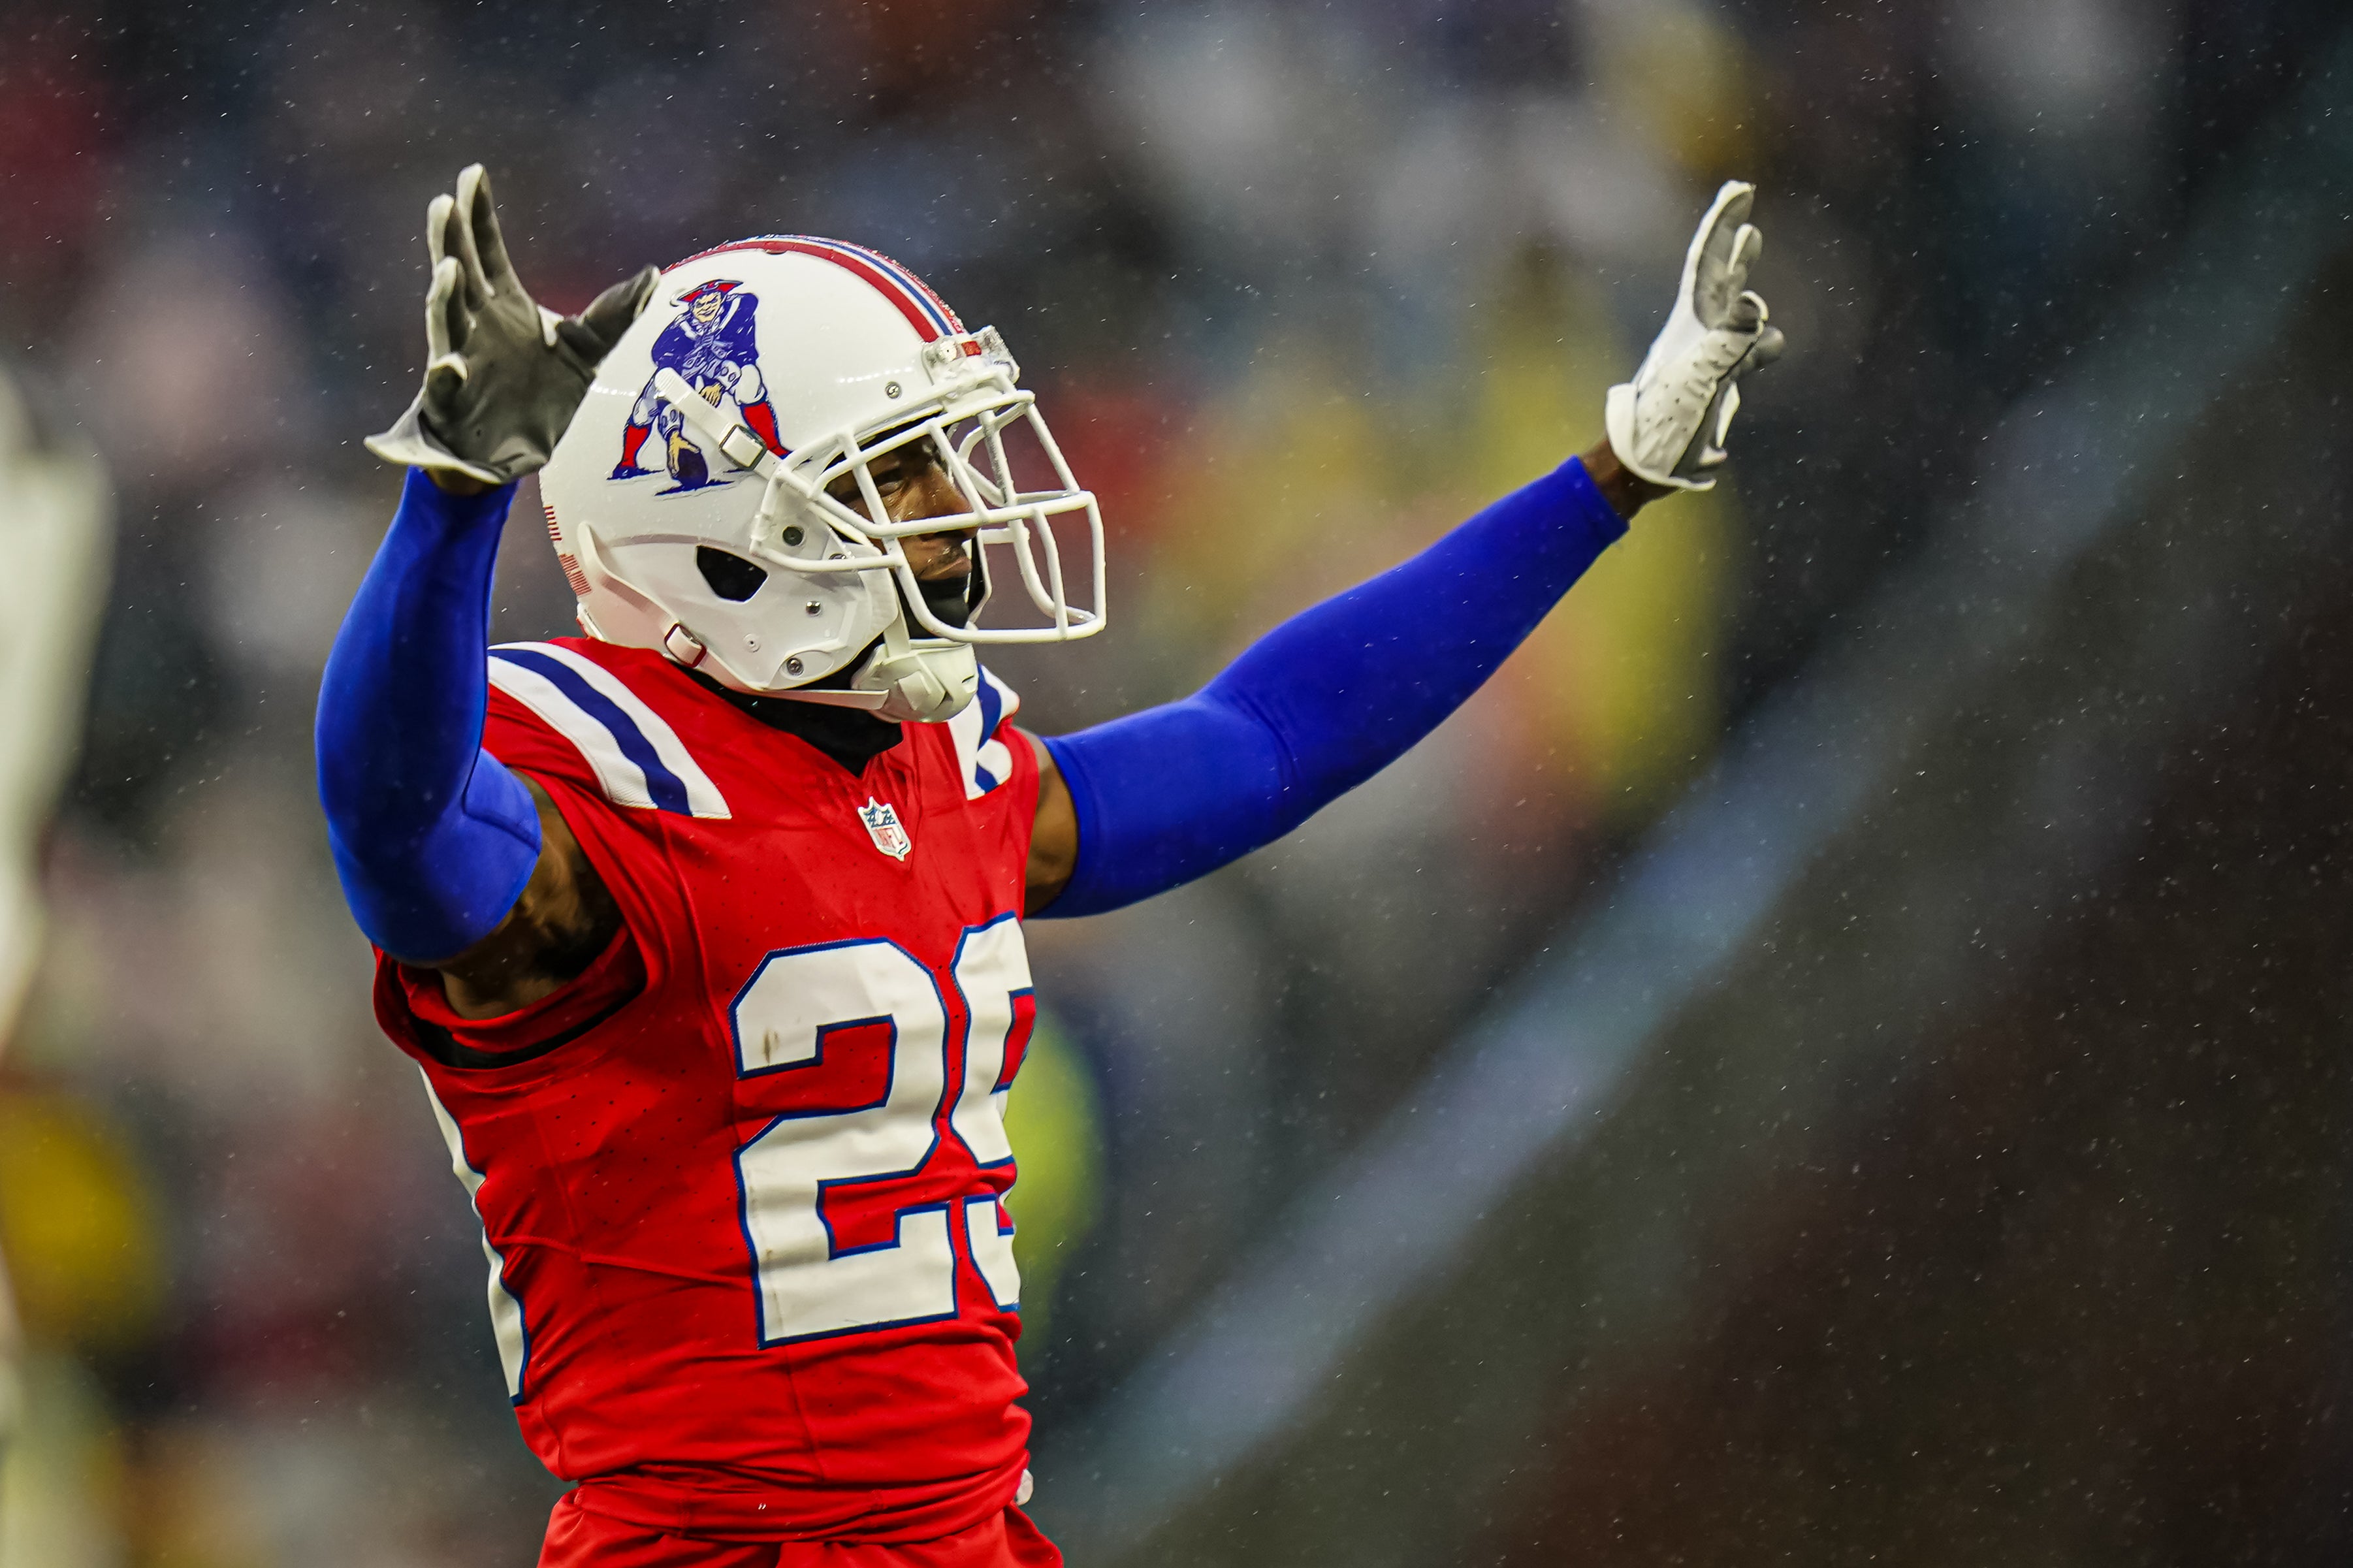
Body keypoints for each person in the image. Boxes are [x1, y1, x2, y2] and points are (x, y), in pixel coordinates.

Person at [317, 164, 1782, 1568]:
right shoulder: (596, 806)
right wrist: (451, 501)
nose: (959, 509)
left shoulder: (939, 768)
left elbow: (1267, 738)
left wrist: (1608, 475)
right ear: (725, 537)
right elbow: (400, 822)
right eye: (894, 475)